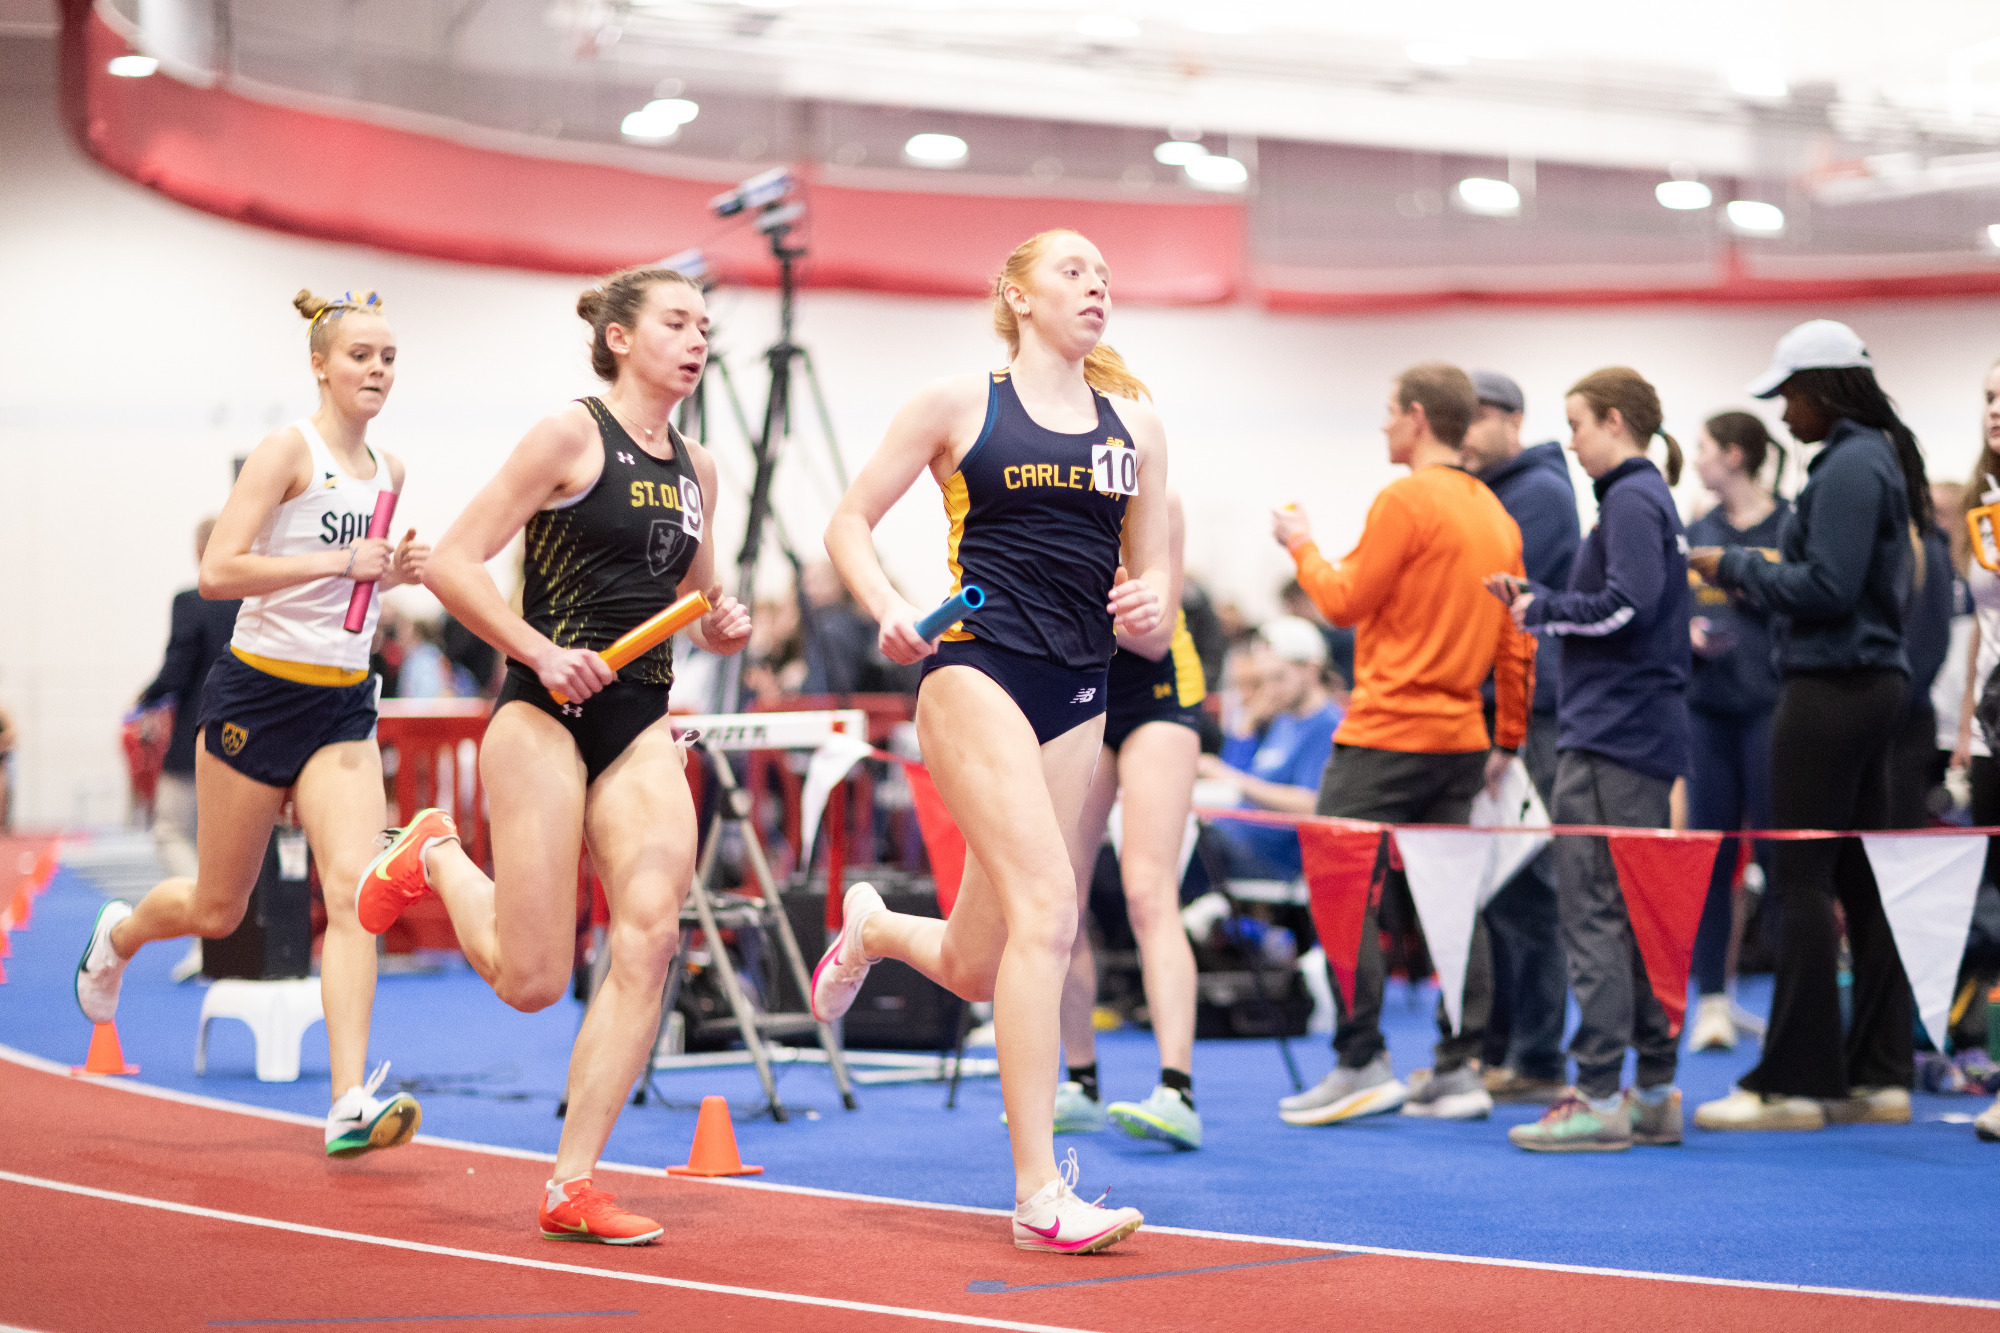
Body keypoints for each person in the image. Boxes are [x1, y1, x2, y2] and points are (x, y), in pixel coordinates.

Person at [359, 266, 750, 1245]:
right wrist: (537, 650)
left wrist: (726, 624)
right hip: (540, 711)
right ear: (621, 338)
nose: (697, 339)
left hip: (639, 721)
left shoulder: (698, 468)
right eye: (676, 322)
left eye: (705, 325)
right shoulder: (571, 434)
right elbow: (450, 561)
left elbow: (696, 607)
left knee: (651, 934)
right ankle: (433, 851)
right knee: (532, 979)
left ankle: (572, 1181)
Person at [819, 229, 1166, 1254]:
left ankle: (875, 929)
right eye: (1073, 270)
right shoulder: (957, 403)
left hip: (1080, 688)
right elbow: (847, 519)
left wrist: (1148, 607)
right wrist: (884, 603)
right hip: (975, 666)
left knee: (981, 959)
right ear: (1016, 294)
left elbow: (1147, 590)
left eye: (1106, 273)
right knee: (1050, 914)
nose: (1096, 284)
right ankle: (1037, 1195)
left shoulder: (1136, 427)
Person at [75, 289, 430, 1158]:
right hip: (256, 695)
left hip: (340, 702)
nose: (377, 369)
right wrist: (338, 559)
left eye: (388, 356)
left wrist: (390, 577)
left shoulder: (392, 469)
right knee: (217, 905)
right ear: (321, 364)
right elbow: (218, 570)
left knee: (356, 894)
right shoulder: (287, 449)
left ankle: (347, 1097)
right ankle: (116, 937)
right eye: (361, 356)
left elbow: (346, 589)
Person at [1272, 361, 1535, 1128]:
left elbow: (1342, 600)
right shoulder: (1497, 515)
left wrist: (1301, 543)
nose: (1382, 424)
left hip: (1386, 733)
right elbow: (1520, 643)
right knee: (1455, 899)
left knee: (1343, 891)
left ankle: (1361, 1059)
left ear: (1418, 417)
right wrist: (1507, 736)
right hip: (1461, 739)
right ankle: (1459, 1068)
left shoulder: (1404, 501)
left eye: (1388, 411)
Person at [1690, 319, 1927, 1132]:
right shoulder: (1868, 459)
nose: (1784, 416)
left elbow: (1826, 586)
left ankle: (1798, 1083)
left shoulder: (1853, 464)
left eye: (1790, 395)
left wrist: (1738, 567)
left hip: (1832, 686)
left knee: (1798, 879)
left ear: (1824, 389)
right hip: (1864, 686)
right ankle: (1877, 1072)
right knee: (1857, 877)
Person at [1496, 366, 1693, 1153]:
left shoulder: (1633, 499)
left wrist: (1540, 609)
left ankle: (1602, 1092)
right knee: (1632, 909)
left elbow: (1626, 604)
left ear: (1614, 421)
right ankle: (1647, 1090)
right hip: (1630, 732)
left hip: (1613, 735)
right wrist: (1542, 600)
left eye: (1576, 425)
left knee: (1596, 909)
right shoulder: (1644, 500)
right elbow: (1626, 600)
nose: (1570, 442)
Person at [1055, 491, 1207, 1149]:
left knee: (1149, 893)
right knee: (1059, 897)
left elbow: (1149, 635)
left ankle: (1177, 1089)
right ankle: (1079, 1080)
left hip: (1156, 694)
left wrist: (1074, 605)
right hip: (1079, 688)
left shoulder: (1158, 505)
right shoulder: (1041, 494)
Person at [1459, 369, 1579, 1106]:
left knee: (1527, 883)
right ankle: (1503, 1047)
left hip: (1528, 710)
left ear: (1512, 420)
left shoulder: (1538, 493)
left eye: (1477, 418)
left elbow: (1494, 602)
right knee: (1496, 887)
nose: (1465, 432)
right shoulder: (1501, 489)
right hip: (1502, 704)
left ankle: (1536, 1054)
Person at [1681, 412, 1790, 1053]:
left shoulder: (1789, 526)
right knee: (1710, 857)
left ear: (1735, 454)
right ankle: (1714, 1003)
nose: (1695, 461)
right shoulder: (1697, 531)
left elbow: (1810, 598)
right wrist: (1686, 637)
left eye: (1702, 449)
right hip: (1707, 712)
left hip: (1772, 707)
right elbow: (1672, 610)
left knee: (1781, 861)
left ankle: (1786, 1005)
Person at [135, 518, 244, 885]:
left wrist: (146, 697)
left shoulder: (190, 602)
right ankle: (218, 926)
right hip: (250, 742)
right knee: (234, 843)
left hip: (196, 736)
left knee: (172, 833)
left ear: (200, 551)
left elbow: (178, 670)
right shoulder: (257, 602)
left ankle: (203, 913)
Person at [1197, 617, 1342, 884]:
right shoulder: (1284, 719)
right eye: (1266, 680)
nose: (1271, 691)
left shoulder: (1328, 725)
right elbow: (1238, 782)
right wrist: (1246, 727)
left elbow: (1313, 804)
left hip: (1276, 857)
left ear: (1311, 670)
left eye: (1278, 677)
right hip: (1236, 841)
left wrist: (1232, 778)